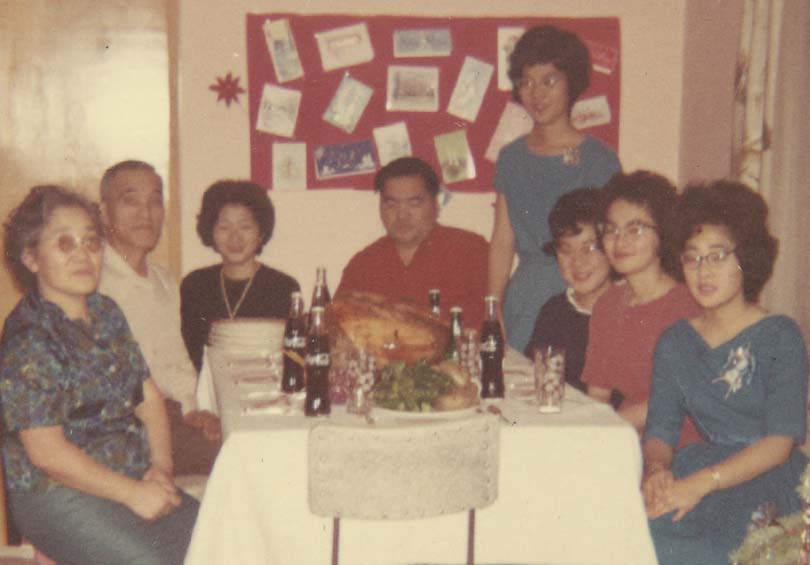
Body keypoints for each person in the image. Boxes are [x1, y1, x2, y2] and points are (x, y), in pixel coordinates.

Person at [0, 185, 198, 564]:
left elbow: (149, 399)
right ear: (31, 257)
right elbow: (47, 453)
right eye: (64, 244)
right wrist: (133, 494)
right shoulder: (28, 336)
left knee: (219, 540)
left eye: (91, 243)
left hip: (126, 471)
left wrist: (161, 469)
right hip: (54, 490)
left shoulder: (106, 312)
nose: (83, 255)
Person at [643, 180, 807, 564]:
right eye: (692, 257)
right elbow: (660, 431)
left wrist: (700, 485)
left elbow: (779, 444)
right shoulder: (675, 341)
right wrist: (656, 470)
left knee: (720, 552)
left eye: (717, 256)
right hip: (700, 470)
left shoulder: (782, 335)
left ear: (746, 258)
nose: (703, 271)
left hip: (767, 476)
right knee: (642, 536)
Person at [489, 25, 621, 352]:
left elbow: (613, 247)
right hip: (525, 297)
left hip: (582, 296)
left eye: (549, 80)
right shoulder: (510, 158)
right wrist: (492, 310)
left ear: (571, 83)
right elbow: (503, 241)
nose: (537, 94)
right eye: (526, 82)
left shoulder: (600, 160)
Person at [97, 160, 220, 476]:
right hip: (126, 425)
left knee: (241, 437)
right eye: (131, 200)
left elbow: (174, 359)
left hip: (172, 415)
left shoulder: (164, 281)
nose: (146, 212)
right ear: (104, 211)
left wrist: (194, 410)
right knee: (240, 458)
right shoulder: (92, 280)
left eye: (155, 200)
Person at [581, 171, 702, 440]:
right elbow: (598, 394)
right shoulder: (607, 305)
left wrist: (605, 426)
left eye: (635, 229)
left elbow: (678, 401)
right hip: (626, 437)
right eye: (611, 230)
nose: (620, 241)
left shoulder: (687, 307)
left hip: (682, 444)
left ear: (663, 233)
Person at [336, 156, 489, 329]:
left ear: (435, 203)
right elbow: (340, 326)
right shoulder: (363, 265)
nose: (402, 215)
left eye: (414, 203)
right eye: (391, 204)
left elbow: (482, 325)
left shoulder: (471, 251)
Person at [180, 180, 300, 373]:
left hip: (267, 392)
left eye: (245, 227)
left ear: (261, 232)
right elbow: (189, 357)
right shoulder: (195, 285)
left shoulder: (283, 287)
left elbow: (293, 359)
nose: (235, 238)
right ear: (211, 231)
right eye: (224, 227)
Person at [523, 188, 612, 392]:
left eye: (589, 247)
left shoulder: (629, 311)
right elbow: (533, 376)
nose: (578, 261)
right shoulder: (553, 311)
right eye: (566, 250)